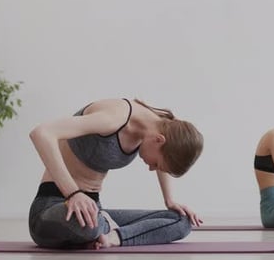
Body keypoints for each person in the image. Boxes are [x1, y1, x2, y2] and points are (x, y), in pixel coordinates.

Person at [28, 98, 204, 249]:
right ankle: (105, 228)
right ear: (159, 140)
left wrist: (169, 200)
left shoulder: (161, 126)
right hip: (51, 210)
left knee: (182, 221)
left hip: (93, 211)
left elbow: (165, 152)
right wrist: (73, 193)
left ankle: (115, 237)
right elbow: (42, 133)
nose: (152, 168)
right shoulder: (113, 119)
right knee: (89, 226)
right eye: (156, 164)